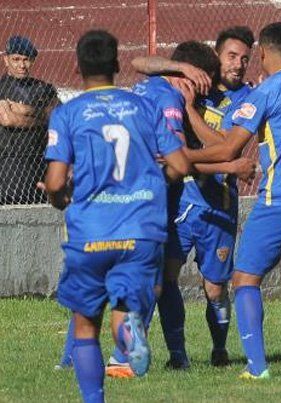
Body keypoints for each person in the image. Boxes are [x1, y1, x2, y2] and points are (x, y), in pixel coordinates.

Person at [43, 30, 190, 402]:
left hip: (92, 231)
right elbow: (180, 164)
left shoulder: (68, 114)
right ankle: (128, 331)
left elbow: (56, 181)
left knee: (85, 325)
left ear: (77, 68)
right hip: (141, 230)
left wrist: (60, 198)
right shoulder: (144, 106)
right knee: (126, 303)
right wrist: (154, 180)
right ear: (118, 64)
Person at [183, 22, 281, 379]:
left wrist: (181, 156)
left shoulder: (267, 90)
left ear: (263, 53)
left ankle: (257, 368)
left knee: (244, 279)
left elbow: (228, 148)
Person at [129, 27, 255, 369]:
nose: (238, 64)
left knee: (215, 287)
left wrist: (189, 115)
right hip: (182, 201)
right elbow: (139, 62)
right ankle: (177, 354)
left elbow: (225, 146)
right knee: (166, 277)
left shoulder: (247, 99)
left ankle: (219, 349)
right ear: (216, 57)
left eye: (245, 58)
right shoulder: (195, 83)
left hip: (219, 204)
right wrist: (181, 67)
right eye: (231, 56)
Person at [0, 35, 59, 204]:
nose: (21, 65)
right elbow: (8, 119)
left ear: (32, 61)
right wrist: (42, 118)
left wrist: (24, 110)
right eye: (16, 59)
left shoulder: (44, 88)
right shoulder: (1, 87)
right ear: (6, 60)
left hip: (39, 161)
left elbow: (57, 117)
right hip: (10, 162)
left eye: (26, 60)